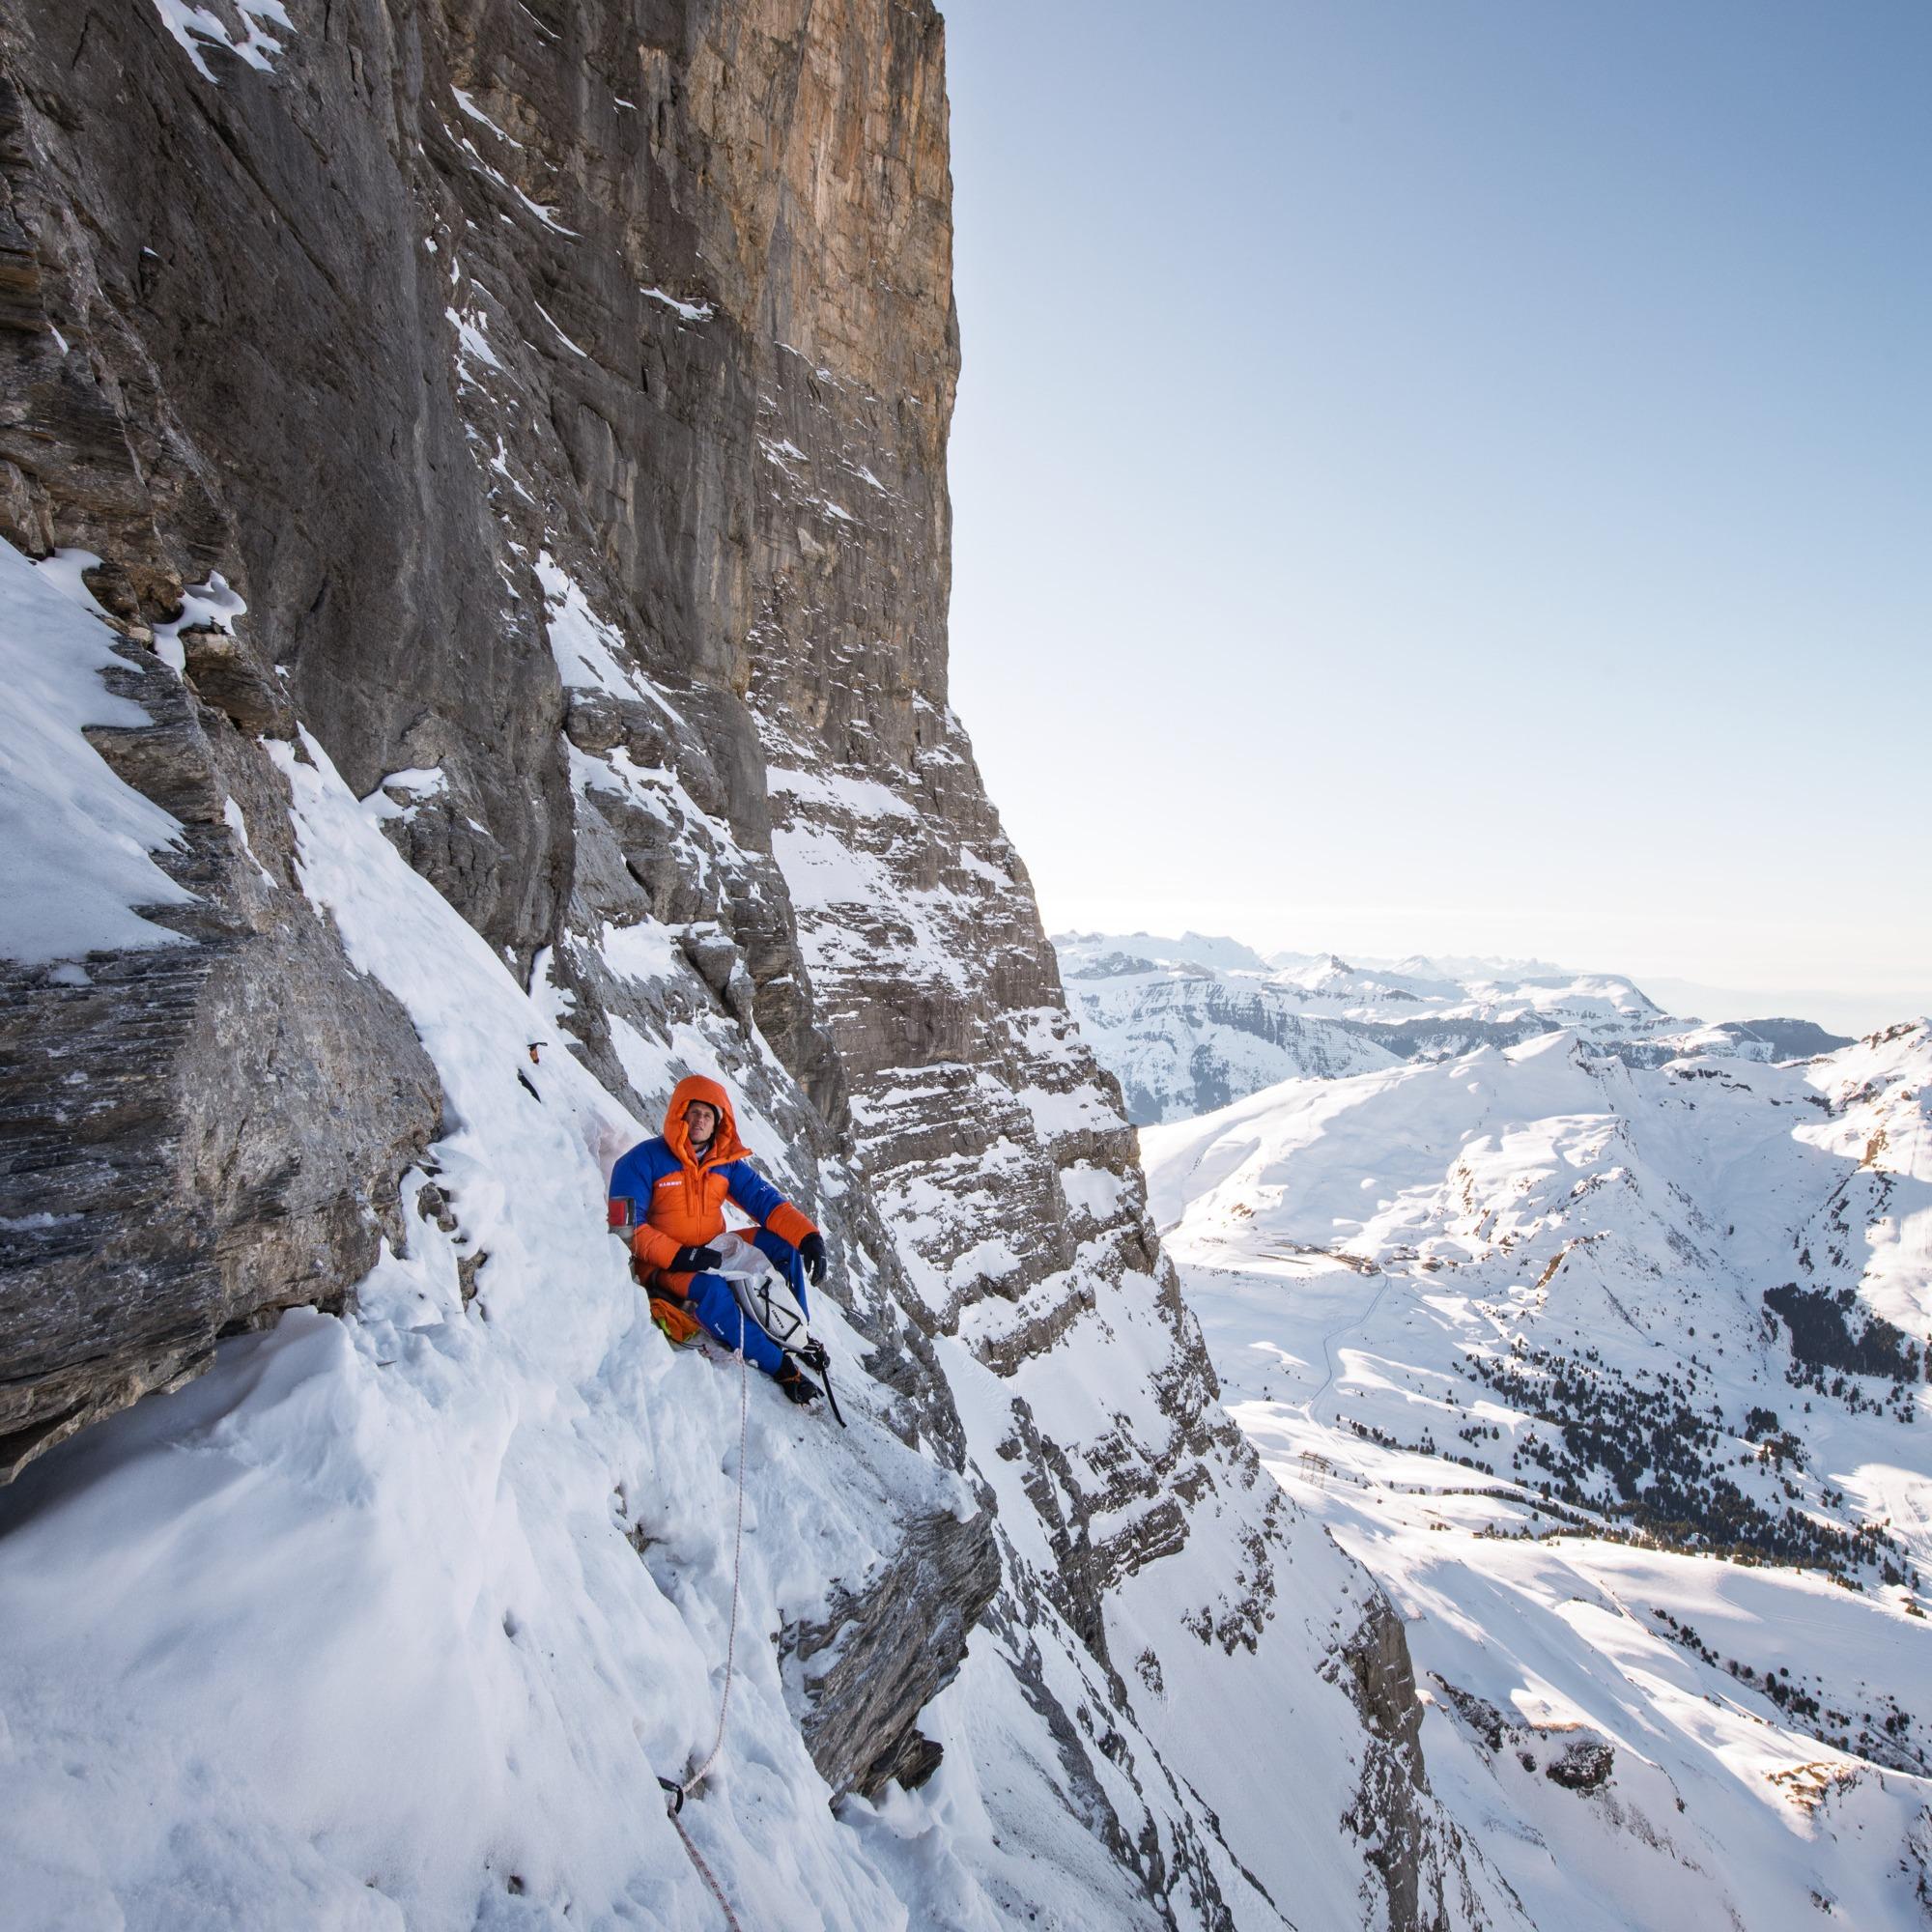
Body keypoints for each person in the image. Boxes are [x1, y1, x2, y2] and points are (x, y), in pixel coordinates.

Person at [609, 1075, 829, 1406]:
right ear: (679, 1115)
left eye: (707, 1116)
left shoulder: (723, 1165)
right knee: (712, 1292)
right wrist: (681, 1256)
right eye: (693, 1112)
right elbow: (627, 1230)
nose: (699, 1120)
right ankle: (779, 1365)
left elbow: (764, 1202)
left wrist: (809, 1236)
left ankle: (797, 1334)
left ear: (717, 1125)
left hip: (711, 1249)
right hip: (662, 1265)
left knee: (784, 1247)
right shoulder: (640, 1162)